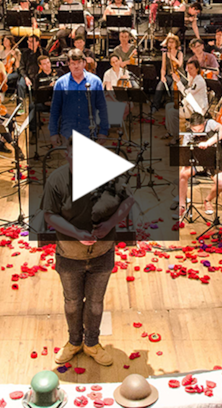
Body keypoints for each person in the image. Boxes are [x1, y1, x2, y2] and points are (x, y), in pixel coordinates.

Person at [47, 137, 132, 367]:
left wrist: (109, 224)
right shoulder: (57, 180)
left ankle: (92, 343)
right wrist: (76, 232)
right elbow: (49, 215)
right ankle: (74, 342)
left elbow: (127, 201)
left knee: (95, 303)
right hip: (69, 256)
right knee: (73, 302)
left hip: (101, 255)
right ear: (68, 156)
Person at [49, 49, 110, 146]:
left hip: (89, 132)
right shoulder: (60, 83)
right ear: (68, 64)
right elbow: (55, 109)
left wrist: (103, 131)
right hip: (67, 132)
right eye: (73, 63)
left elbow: (102, 108)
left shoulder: (95, 81)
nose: (76, 66)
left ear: (84, 63)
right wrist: (53, 133)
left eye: (79, 63)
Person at [174, 112, 222, 218]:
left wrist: (208, 143)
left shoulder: (210, 123)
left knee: (221, 182)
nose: (197, 133)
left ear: (204, 123)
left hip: (212, 161)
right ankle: (182, 205)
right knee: (182, 175)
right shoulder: (188, 134)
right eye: (194, 130)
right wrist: (186, 162)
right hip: (197, 162)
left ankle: (208, 200)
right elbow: (185, 152)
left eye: (200, 130)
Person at [166, 59, 208, 144]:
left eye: (191, 68)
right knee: (168, 106)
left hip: (196, 110)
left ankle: (176, 137)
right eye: (188, 68)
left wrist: (178, 81)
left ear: (197, 69)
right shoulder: (192, 79)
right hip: (190, 106)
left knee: (172, 112)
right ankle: (171, 132)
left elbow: (187, 93)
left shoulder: (199, 81)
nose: (189, 70)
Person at [151, 34, 183, 112]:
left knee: (173, 87)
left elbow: (180, 64)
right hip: (170, 75)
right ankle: (155, 106)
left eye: (172, 42)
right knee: (160, 85)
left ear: (176, 43)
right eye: (169, 42)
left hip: (180, 76)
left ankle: (172, 108)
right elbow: (163, 68)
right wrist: (162, 76)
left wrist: (172, 57)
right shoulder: (165, 54)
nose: (170, 44)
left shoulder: (179, 53)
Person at [15, 35, 47, 103]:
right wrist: (26, 77)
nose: (29, 43)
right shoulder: (25, 53)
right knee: (20, 85)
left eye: (31, 42)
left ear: (37, 43)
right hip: (27, 76)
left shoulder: (43, 53)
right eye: (28, 41)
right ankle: (21, 106)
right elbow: (21, 67)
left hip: (38, 75)